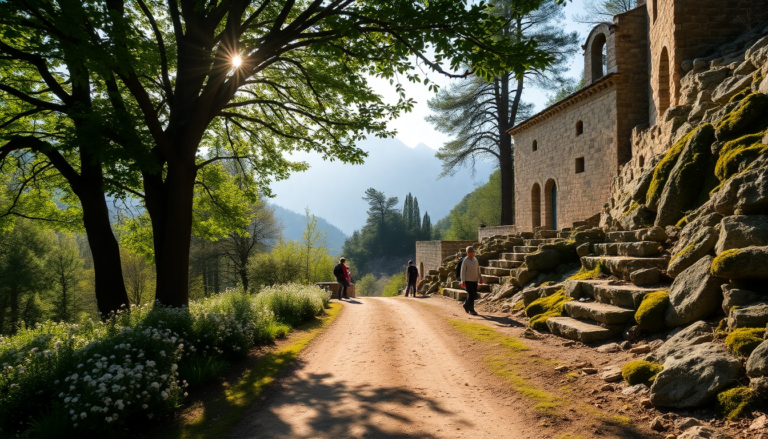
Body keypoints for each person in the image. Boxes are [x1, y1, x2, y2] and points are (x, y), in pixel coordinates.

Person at [460, 246, 483, 315]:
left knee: (473, 294)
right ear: (467, 253)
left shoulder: (475, 259)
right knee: (471, 294)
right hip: (468, 280)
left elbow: (478, 269)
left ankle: (465, 304)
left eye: (472, 252)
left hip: (475, 280)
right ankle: (471, 309)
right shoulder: (465, 261)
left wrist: (480, 277)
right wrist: (463, 281)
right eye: (470, 252)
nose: (472, 253)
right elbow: (463, 271)